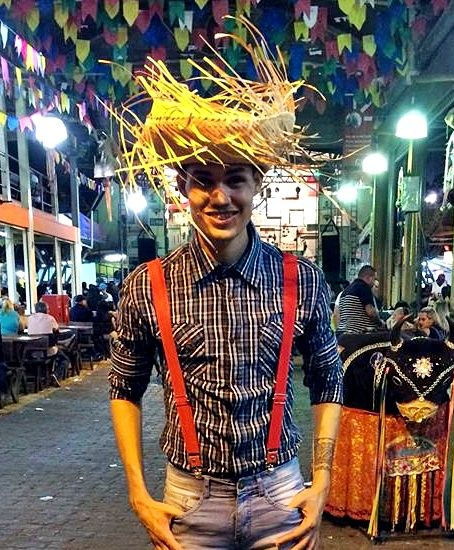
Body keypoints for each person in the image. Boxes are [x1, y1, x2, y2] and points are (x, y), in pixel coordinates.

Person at [109, 22, 343, 550]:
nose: (220, 197)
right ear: (181, 187)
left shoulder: (300, 279)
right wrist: (137, 493)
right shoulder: (148, 287)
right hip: (188, 501)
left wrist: (323, 478)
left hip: (281, 494)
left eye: (235, 178)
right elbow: (124, 389)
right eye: (203, 180)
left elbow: (329, 381)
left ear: (258, 185)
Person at [336, 265, 385, 335]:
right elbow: (371, 312)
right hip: (358, 334)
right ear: (368, 278)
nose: (374, 283)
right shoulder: (363, 287)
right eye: (374, 279)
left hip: (342, 333)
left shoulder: (345, 291)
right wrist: (380, 323)